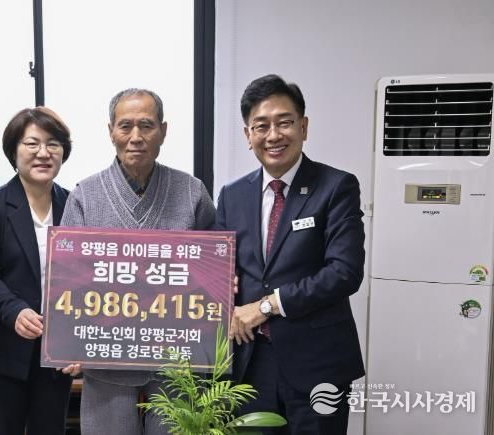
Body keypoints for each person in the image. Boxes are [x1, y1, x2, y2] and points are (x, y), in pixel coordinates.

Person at [215, 74, 365, 435]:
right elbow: (219, 268)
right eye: (261, 126)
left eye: (284, 122)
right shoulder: (232, 195)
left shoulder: (336, 186)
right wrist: (222, 286)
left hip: (317, 363)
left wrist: (266, 305)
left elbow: (344, 272)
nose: (273, 135)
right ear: (248, 135)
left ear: (303, 126)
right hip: (250, 363)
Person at [60, 88, 216, 435]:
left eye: (146, 125)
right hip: (106, 360)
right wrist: (66, 341)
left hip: (177, 362)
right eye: (125, 126)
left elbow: (215, 264)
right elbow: (66, 278)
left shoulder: (192, 191)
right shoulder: (85, 195)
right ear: (111, 131)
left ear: (163, 130)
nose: (136, 136)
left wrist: (223, 282)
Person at [0, 107, 73, 435]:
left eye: (53, 144)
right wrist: (15, 311)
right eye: (32, 143)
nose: (43, 153)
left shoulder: (75, 205)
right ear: (14, 151)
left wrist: (79, 343)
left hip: (54, 350)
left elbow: (87, 278)